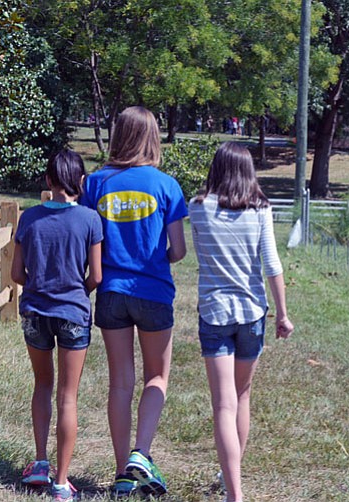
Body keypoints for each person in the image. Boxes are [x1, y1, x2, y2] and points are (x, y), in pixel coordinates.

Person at [80, 106, 188, 498]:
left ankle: (121, 470)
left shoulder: (95, 184)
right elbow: (179, 250)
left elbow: (86, 239)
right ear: (153, 137)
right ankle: (141, 454)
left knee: (120, 381)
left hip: (110, 292)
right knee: (157, 377)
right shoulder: (166, 185)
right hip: (154, 292)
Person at [188, 142, 294, 502]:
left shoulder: (198, 208)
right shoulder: (261, 210)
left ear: (216, 169)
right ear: (249, 172)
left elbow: (201, 255)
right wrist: (282, 314)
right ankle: (230, 478)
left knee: (223, 404)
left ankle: (234, 491)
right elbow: (272, 264)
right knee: (242, 395)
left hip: (214, 314)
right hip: (252, 315)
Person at [12, 149, 103, 502]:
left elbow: (16, 273)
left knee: (42, 385)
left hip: (35, 310)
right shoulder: (90, 220)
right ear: (81, 181)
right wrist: (78, 289)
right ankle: (62, 483)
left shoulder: (29, 218)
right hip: (73, 313)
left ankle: (39, 463)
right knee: (68, 396)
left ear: (48, 181)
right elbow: (95, 276)